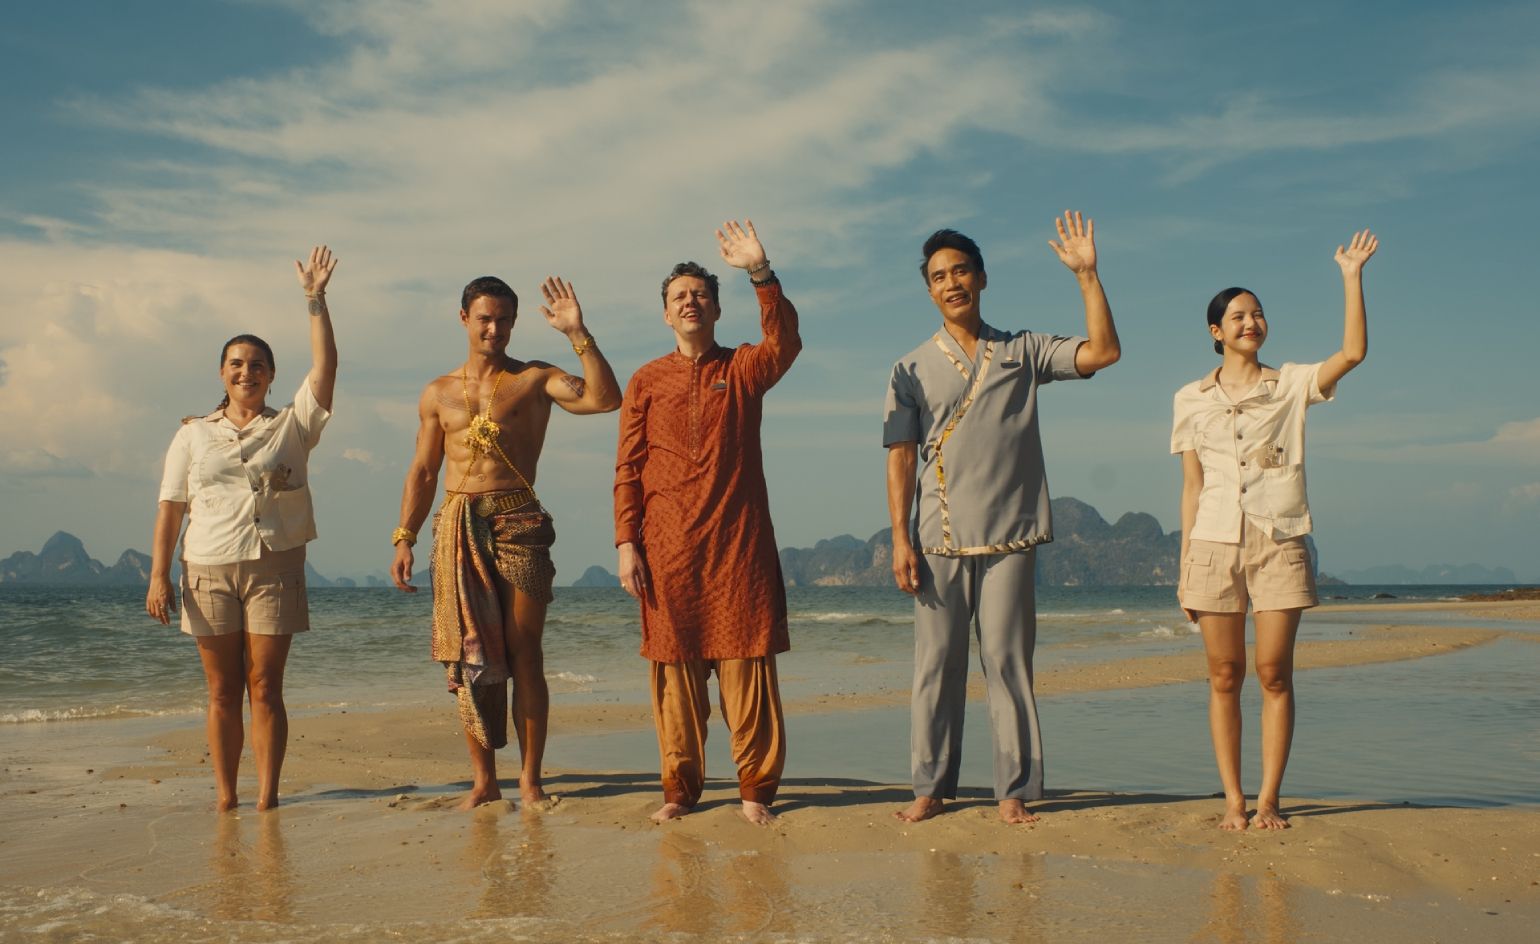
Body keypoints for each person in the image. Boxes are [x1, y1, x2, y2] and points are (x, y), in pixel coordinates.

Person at [883, 212, 1121, 824]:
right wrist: (900, 540)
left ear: (981, 278)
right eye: (938, 276)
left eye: (961, 270)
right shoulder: (909, 367)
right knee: (935, 668)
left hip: (1013, 534)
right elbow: (901, 458)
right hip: (938, 537)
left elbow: (1104, 352)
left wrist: (1088, 276)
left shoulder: (1024, 350)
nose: (951, 282)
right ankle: (930, 787)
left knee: (1009, 665)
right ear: (929, 290)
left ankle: (1013, 790)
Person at [1172, 229, 1378, 831]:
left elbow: (1354, 354)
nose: (1251, 321)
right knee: (1224, 675)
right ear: (1216, 332)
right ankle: (1233, 800)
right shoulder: (1190, 397)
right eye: (1237, 315)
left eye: (1258, 313)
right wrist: (1186, 565)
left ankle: (1268, 800)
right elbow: (1191, 486)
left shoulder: (1288, 384)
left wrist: (1351, 276)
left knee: (1273, 673)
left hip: (1278, 540)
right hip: (1211, 543)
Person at [390, 274, 620, 811]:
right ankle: (483, 781)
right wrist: (405, 536)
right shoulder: (438, 393)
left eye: (504, 320)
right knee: (470, 658)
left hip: (519, 520)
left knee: (525, 656)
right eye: (485, 318)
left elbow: (606, 400)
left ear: (515, 323)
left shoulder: (536, 379)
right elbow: (423, 471)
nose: (495, 328)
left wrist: (577, 333)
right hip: (458, 526)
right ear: (464, 318)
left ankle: (531, 781)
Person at [614, 220, 801, 825]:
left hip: (737, 548)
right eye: (678, 298)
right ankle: (680, 790)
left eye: (699, 294)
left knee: (748, 669)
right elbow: (628, 469)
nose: (689, 302)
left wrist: (761, 273)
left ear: (717, 307)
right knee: (674, 676)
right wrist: (626, 543)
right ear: (666, 315)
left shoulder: (744, 368)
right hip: (666, 550)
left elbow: (785, 345)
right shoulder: (646, 380)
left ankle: (754, 793)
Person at [145, 245, 340, 812]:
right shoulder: (193, 434)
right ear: (222, 374)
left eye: (257, 364)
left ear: (272, 375)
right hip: (205, 567)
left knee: (265, 687)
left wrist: (315, 301)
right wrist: (159, 576)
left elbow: (326, 368)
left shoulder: (294, 426)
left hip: (274, 565)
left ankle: (268, 798)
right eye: (236, 364)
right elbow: (170, 507)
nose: (246, 372)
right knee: (223, 690)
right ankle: (226, 797)